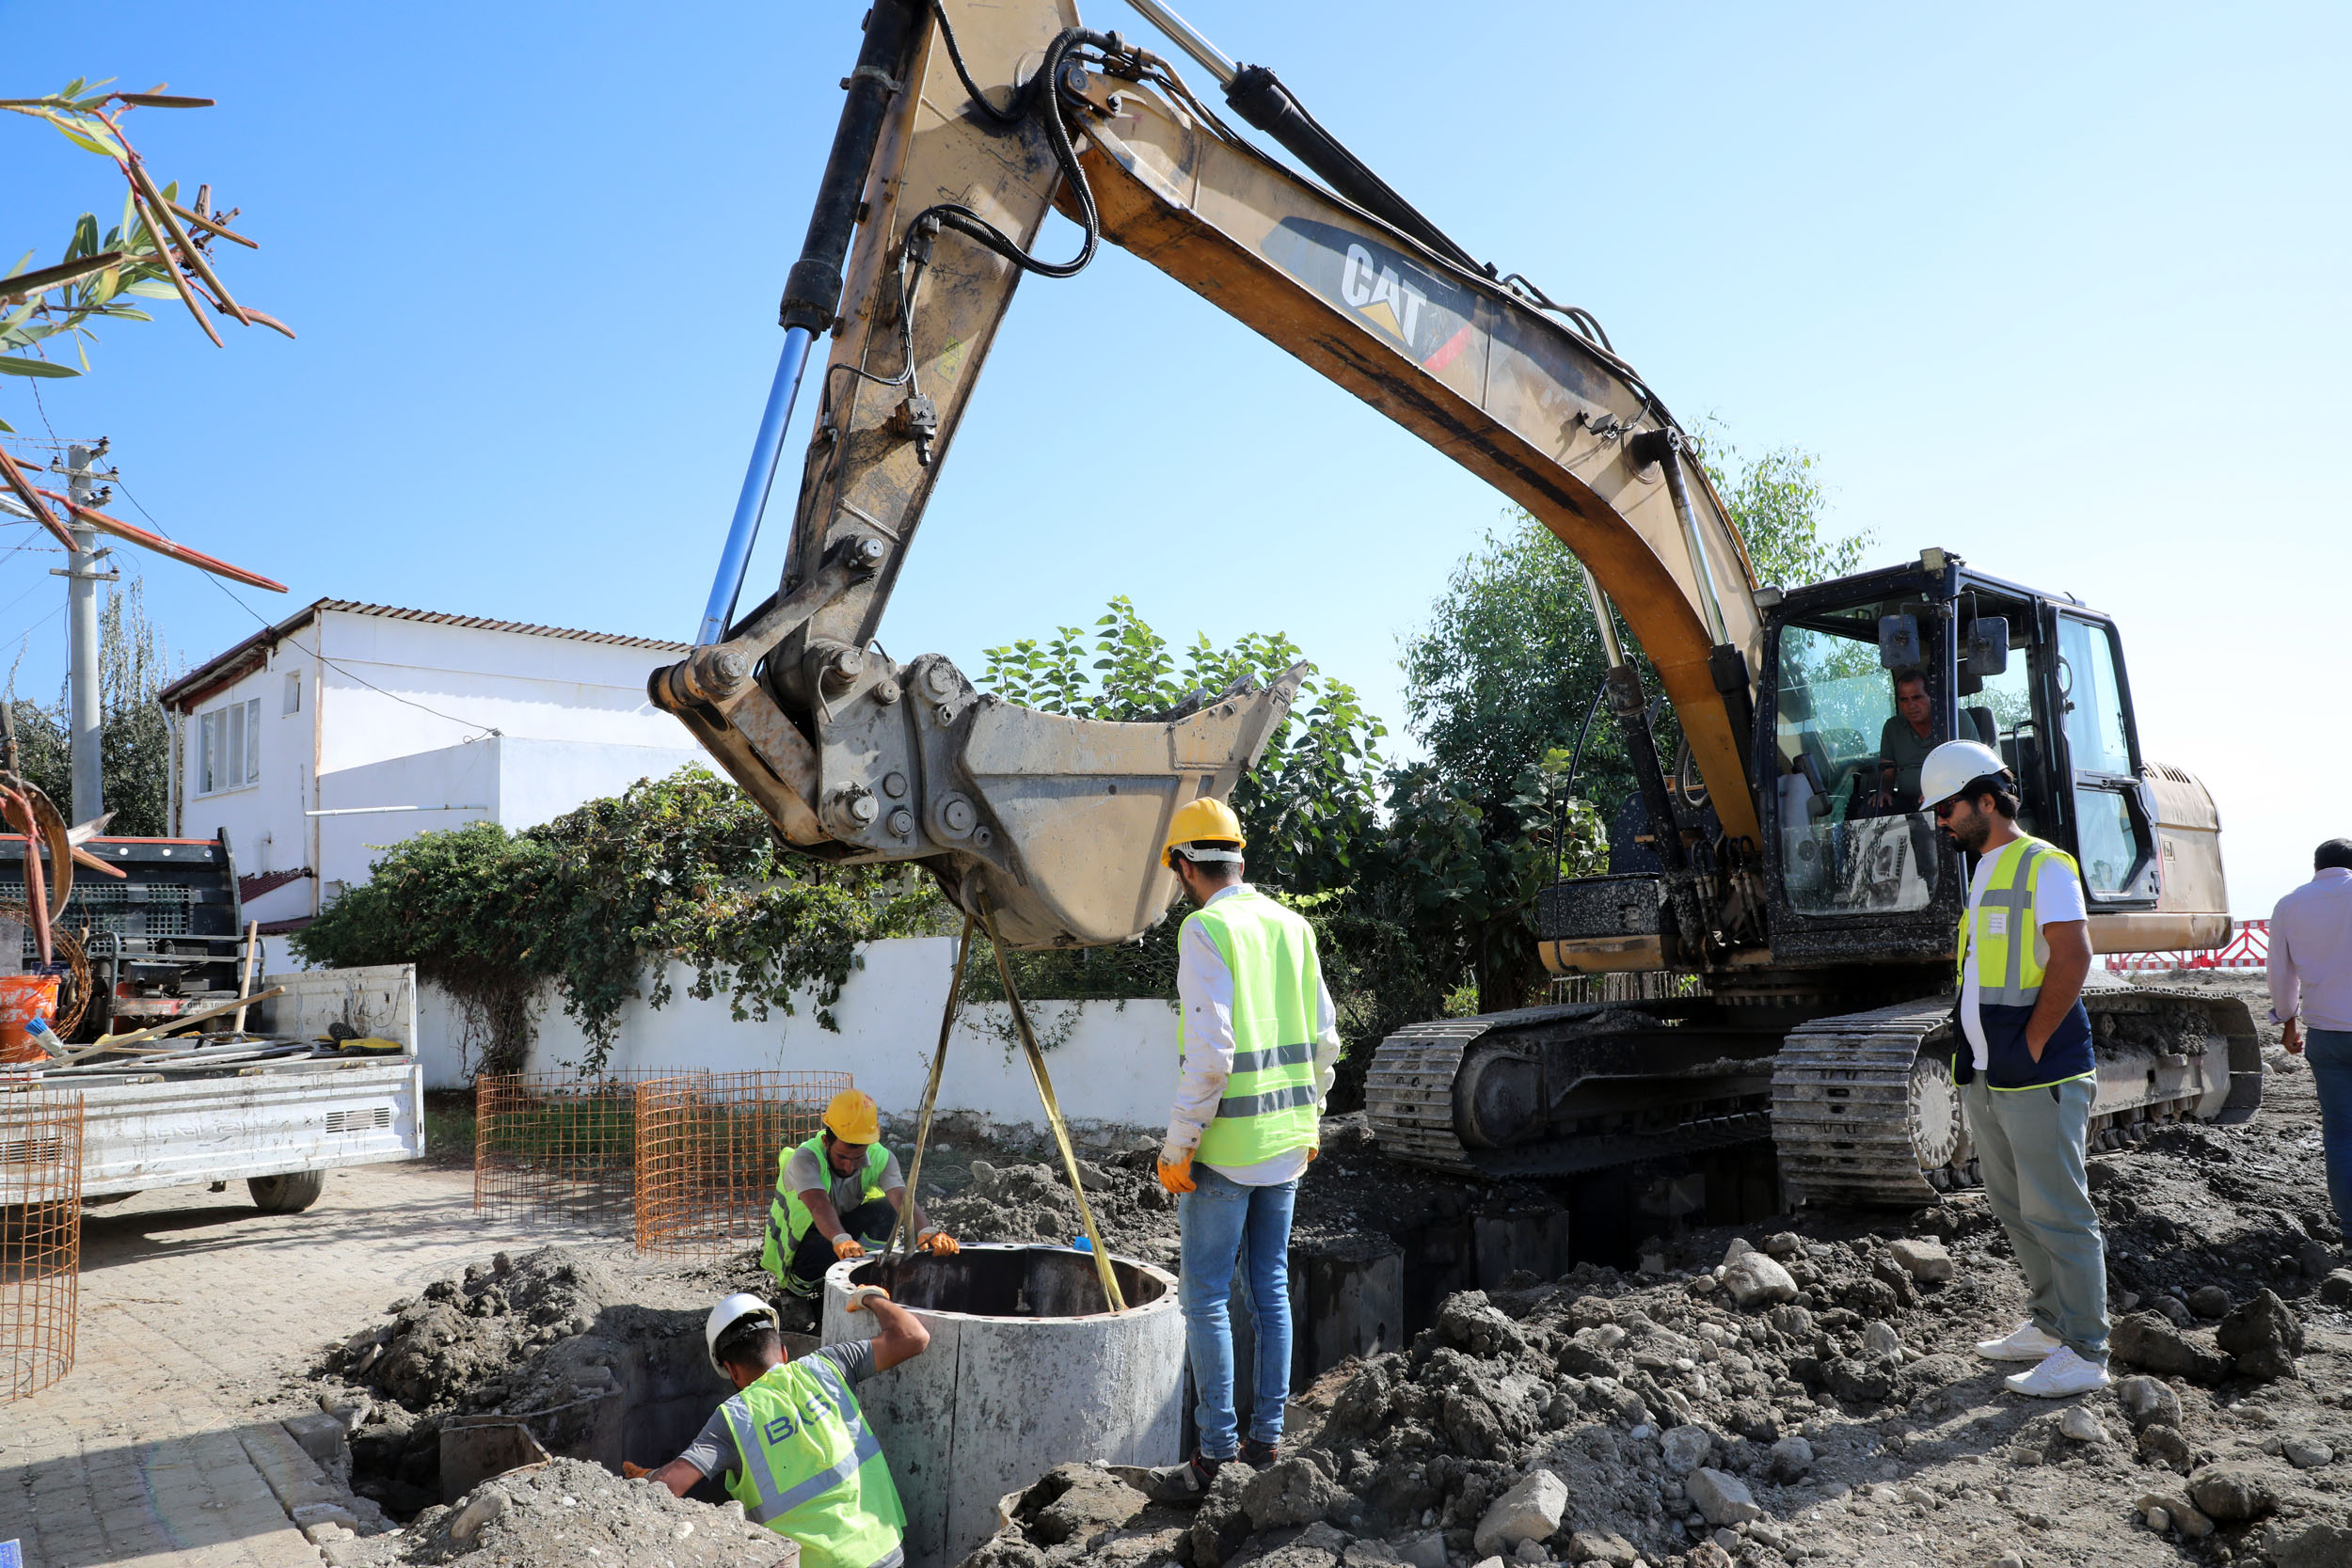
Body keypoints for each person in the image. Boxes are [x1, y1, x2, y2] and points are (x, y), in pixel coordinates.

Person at [1142, 797, 1342, 1503]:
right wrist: (1311, 1118)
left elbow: (1211, 1056)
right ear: (1241, 859)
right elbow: (1325, 1041)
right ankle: (1266, 1440)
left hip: (1225, 1150)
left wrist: (1178, 1146)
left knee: (1205, 1298)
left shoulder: (1205, 930)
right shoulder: (1294, 926)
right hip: (1288, 1145)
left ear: (1185, 866)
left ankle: (1214, 1456)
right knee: (1270, 1290)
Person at [1920, 738, 2109, 1398]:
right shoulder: (1983, 868)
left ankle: (2087, 1347)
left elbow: (2073, 957)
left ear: (1986, 800)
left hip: (2037, 1068)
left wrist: (2031, 1042)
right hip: (1987, 1068)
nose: (1940, 821)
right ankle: (2051, 1322)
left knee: (2058, 1207)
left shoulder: (2043, 864)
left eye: (1947, 808)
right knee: (2013, 1203)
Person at [640, 1289, 928, 1568]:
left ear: (732, 1370)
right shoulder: (831, 1366)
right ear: (784, 1352)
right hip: (886, 1551)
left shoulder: (733, 1419)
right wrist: (870, 1297)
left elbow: (668, 1486)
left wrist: (648, 1478)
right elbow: (914, 1337)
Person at [762, 1089, 956, 1299]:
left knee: (886, 1210)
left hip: (840, 1227)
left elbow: (900, 1196)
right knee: (823, 1246)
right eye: (842, 1157)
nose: (849, 1166)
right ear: (827, 1142)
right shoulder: (805, 1158)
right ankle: (796, 1295)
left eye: (857, 1157)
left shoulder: (881, 1157)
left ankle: (867, 1276)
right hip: (803, 1239)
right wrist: (841, 1238)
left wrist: (926, 1228)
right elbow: (819, 1204)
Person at [2269, 838, 2352, 1236]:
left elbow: (2281, 973)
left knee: (2340, 1134)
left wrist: (2288, 1021)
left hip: (2326, 1036)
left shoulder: (2290, 904)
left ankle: (2351, 1234)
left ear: (2315, 867)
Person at [1875, 666, 1943, 811]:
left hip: (1946, 796)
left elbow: (1973, 769)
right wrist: (1885, 792)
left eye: (1916, 697)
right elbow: (1888, 770)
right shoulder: (1892, 727)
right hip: (1905, 801)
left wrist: (1939, 791)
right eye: (1904, 700)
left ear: (1932, 697)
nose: (1910, 705)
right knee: (1874, 808)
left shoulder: (1957, 720)